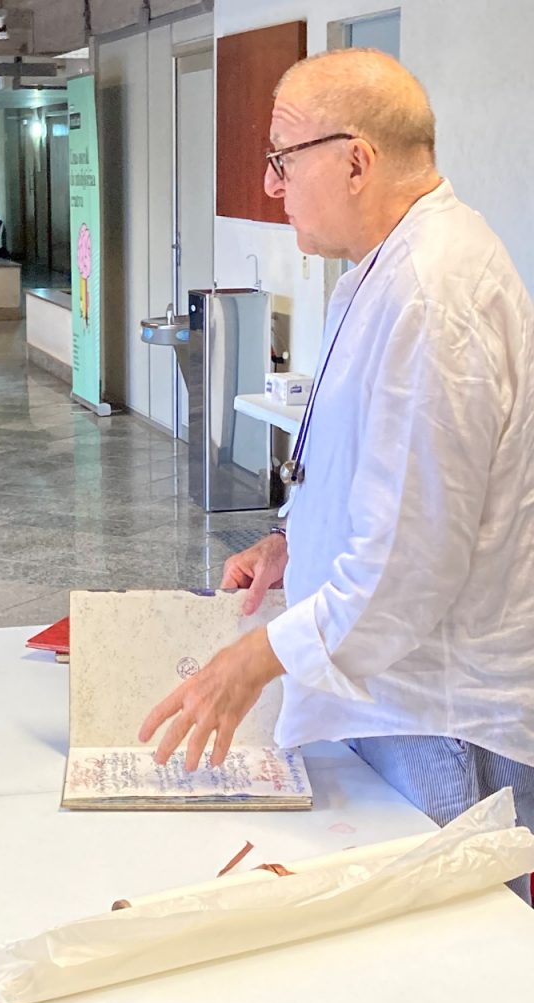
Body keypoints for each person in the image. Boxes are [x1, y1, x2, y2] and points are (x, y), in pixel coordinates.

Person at [139, 48, 534, 900]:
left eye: (283, 159)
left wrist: (255, 659)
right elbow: (388, 476)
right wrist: (297, 539)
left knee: (446, 949)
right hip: (392, 692)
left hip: (436, 718)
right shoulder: (385, 270)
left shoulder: (432, 292)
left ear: (356, 162)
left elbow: (411, 566)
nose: (271, 186)